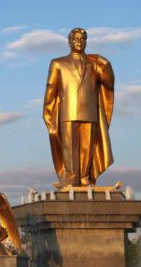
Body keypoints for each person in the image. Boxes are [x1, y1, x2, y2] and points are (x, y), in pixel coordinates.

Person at [43, 28, 115, 187]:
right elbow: (51, 88)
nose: (79, 41)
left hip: (90, 112)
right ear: (69, 41)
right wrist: (47, 111)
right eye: (75, 38)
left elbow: (108, 83)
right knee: (69, 147)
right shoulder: (58, 63)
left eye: (82, 39)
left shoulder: (93, 63)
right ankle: (71, 177)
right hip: (67, 112)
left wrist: (106, 64)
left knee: (87, 148)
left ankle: (84, 177)